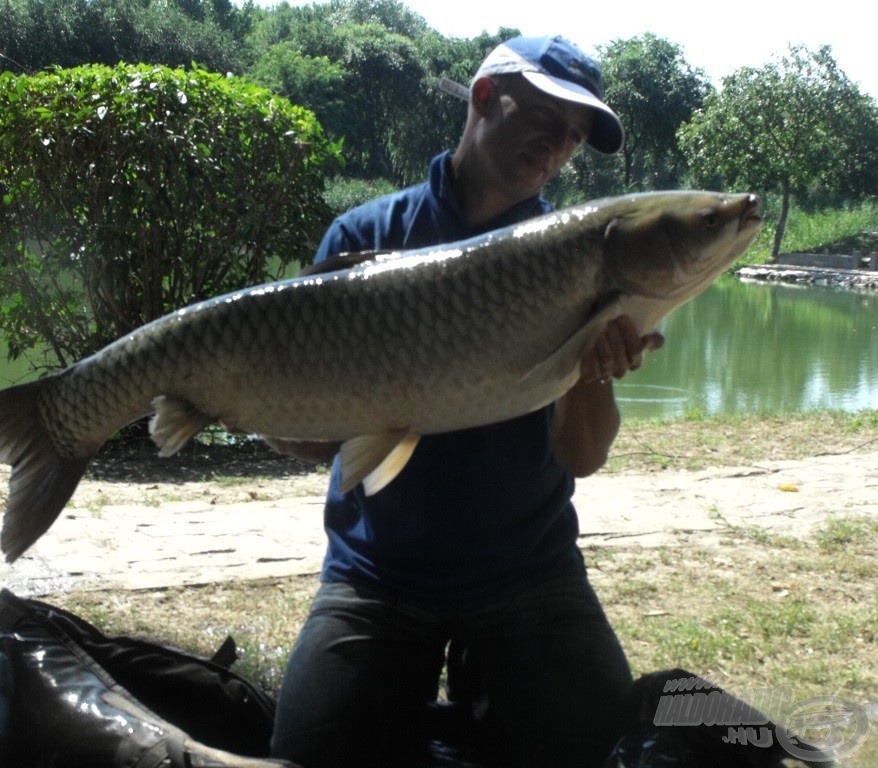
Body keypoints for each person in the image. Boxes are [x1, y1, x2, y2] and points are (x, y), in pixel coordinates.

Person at [266, 35, 664, 768]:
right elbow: (322, 445)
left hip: (529, 574)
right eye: (546, 119)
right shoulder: (365, 237)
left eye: (574, 137)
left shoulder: (577, 259)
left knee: (601, 752)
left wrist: (593, 370)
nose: (557, 148)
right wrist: (244, 407)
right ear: (485, 98)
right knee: (307, 756)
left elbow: (581, 455)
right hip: (376, 577)